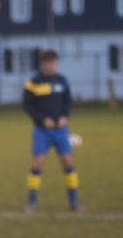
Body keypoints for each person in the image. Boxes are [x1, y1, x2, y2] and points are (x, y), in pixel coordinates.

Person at [22, 49, 81, 212]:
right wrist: (42, 120)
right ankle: (32, 202)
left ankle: (74, 202)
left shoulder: (62, 81)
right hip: (42, 131)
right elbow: (27, 106)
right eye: (48, 63)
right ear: (42, 64)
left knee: (68, 163)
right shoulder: (33, 82)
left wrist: (65, 116)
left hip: (61, 130)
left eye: (54, 63)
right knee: (37, 165)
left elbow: (68, 102)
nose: (51, 66)